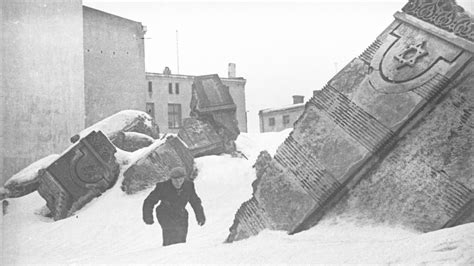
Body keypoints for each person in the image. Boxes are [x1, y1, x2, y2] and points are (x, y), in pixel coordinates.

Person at [142, 167, 205, 246]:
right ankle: (167, 252)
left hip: (181, 214)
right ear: (171, 179)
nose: (178, 183)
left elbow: (195, 202)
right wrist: (148, 217)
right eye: (175, 181)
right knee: (170, 236)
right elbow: (149, 201)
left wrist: (200, 216)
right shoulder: (162, 187)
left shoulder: (189, 186)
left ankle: (177, 255)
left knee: (181, 239)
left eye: (181, 180)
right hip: (165, 213)